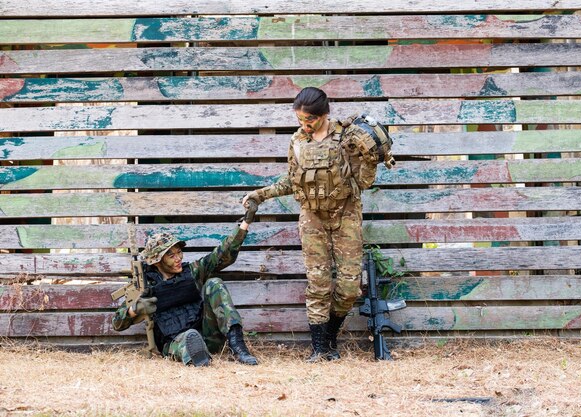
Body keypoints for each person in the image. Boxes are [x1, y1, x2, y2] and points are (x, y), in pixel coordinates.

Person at [242, 87, 380, 361]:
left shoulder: (348, 138)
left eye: (310, 120)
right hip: (312, 217)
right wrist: (261, 194)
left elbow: (365, 182)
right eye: (300, 120)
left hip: (345, 215)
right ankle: (320, 349)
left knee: (349, 287)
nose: (304, 125)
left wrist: (371, 159)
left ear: (324, 114)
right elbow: (293, 180)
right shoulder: (297, 141)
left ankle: (329, 336)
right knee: (318, 284)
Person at [111, 216, 259, 367]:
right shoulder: (146, 286)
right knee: (189, 337)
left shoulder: (192, 272)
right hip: (175, 342)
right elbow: (117, 324)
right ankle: (198, 355)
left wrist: (244, 225)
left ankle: (239, 348)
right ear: (157, 261)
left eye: (179, 252)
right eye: (171, 256)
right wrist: (134, 310)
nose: (178, 258)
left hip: (208, 336)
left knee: (215, 283)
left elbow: (221, 256)